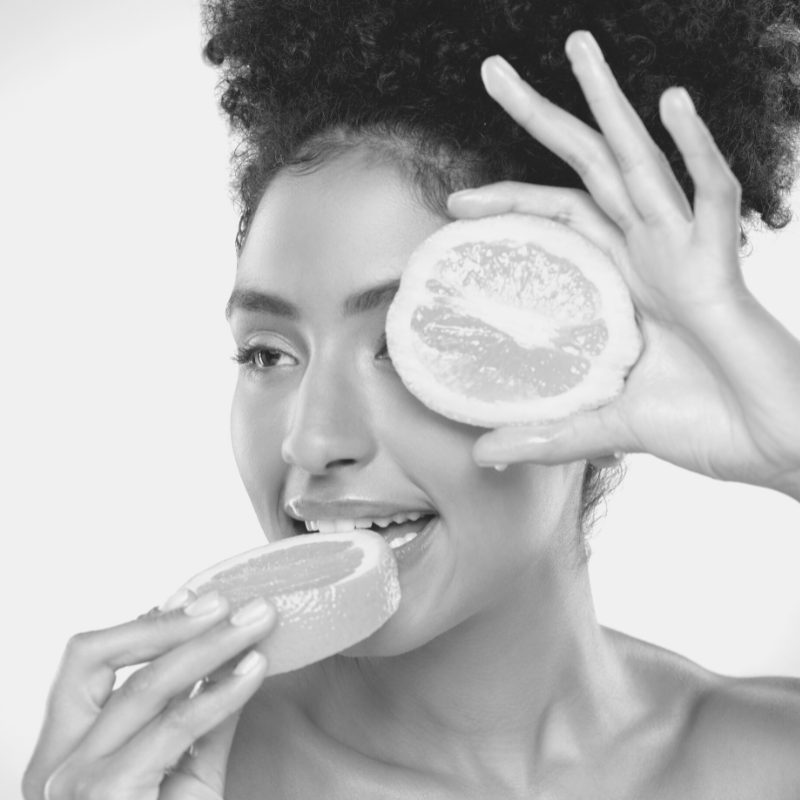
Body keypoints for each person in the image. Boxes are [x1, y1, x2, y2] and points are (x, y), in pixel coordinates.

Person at [23, 1, 800, 797]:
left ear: (589, 360)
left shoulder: (775, 762)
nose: (311, 441)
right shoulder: (160, 783)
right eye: (267, 354)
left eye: (401, 348)